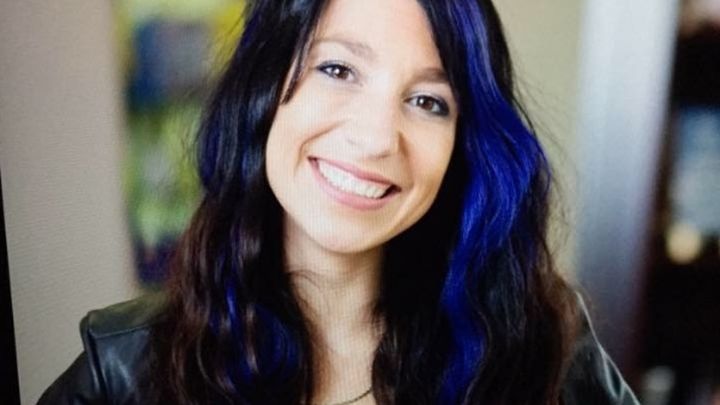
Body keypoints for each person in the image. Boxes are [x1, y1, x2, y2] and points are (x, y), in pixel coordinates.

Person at [39, 0, 640, 404]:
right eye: (338, 69)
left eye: (428, 102)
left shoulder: (542, 350)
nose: (376, 138)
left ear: (462, 146)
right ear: (265, 87)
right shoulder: (122, 370)